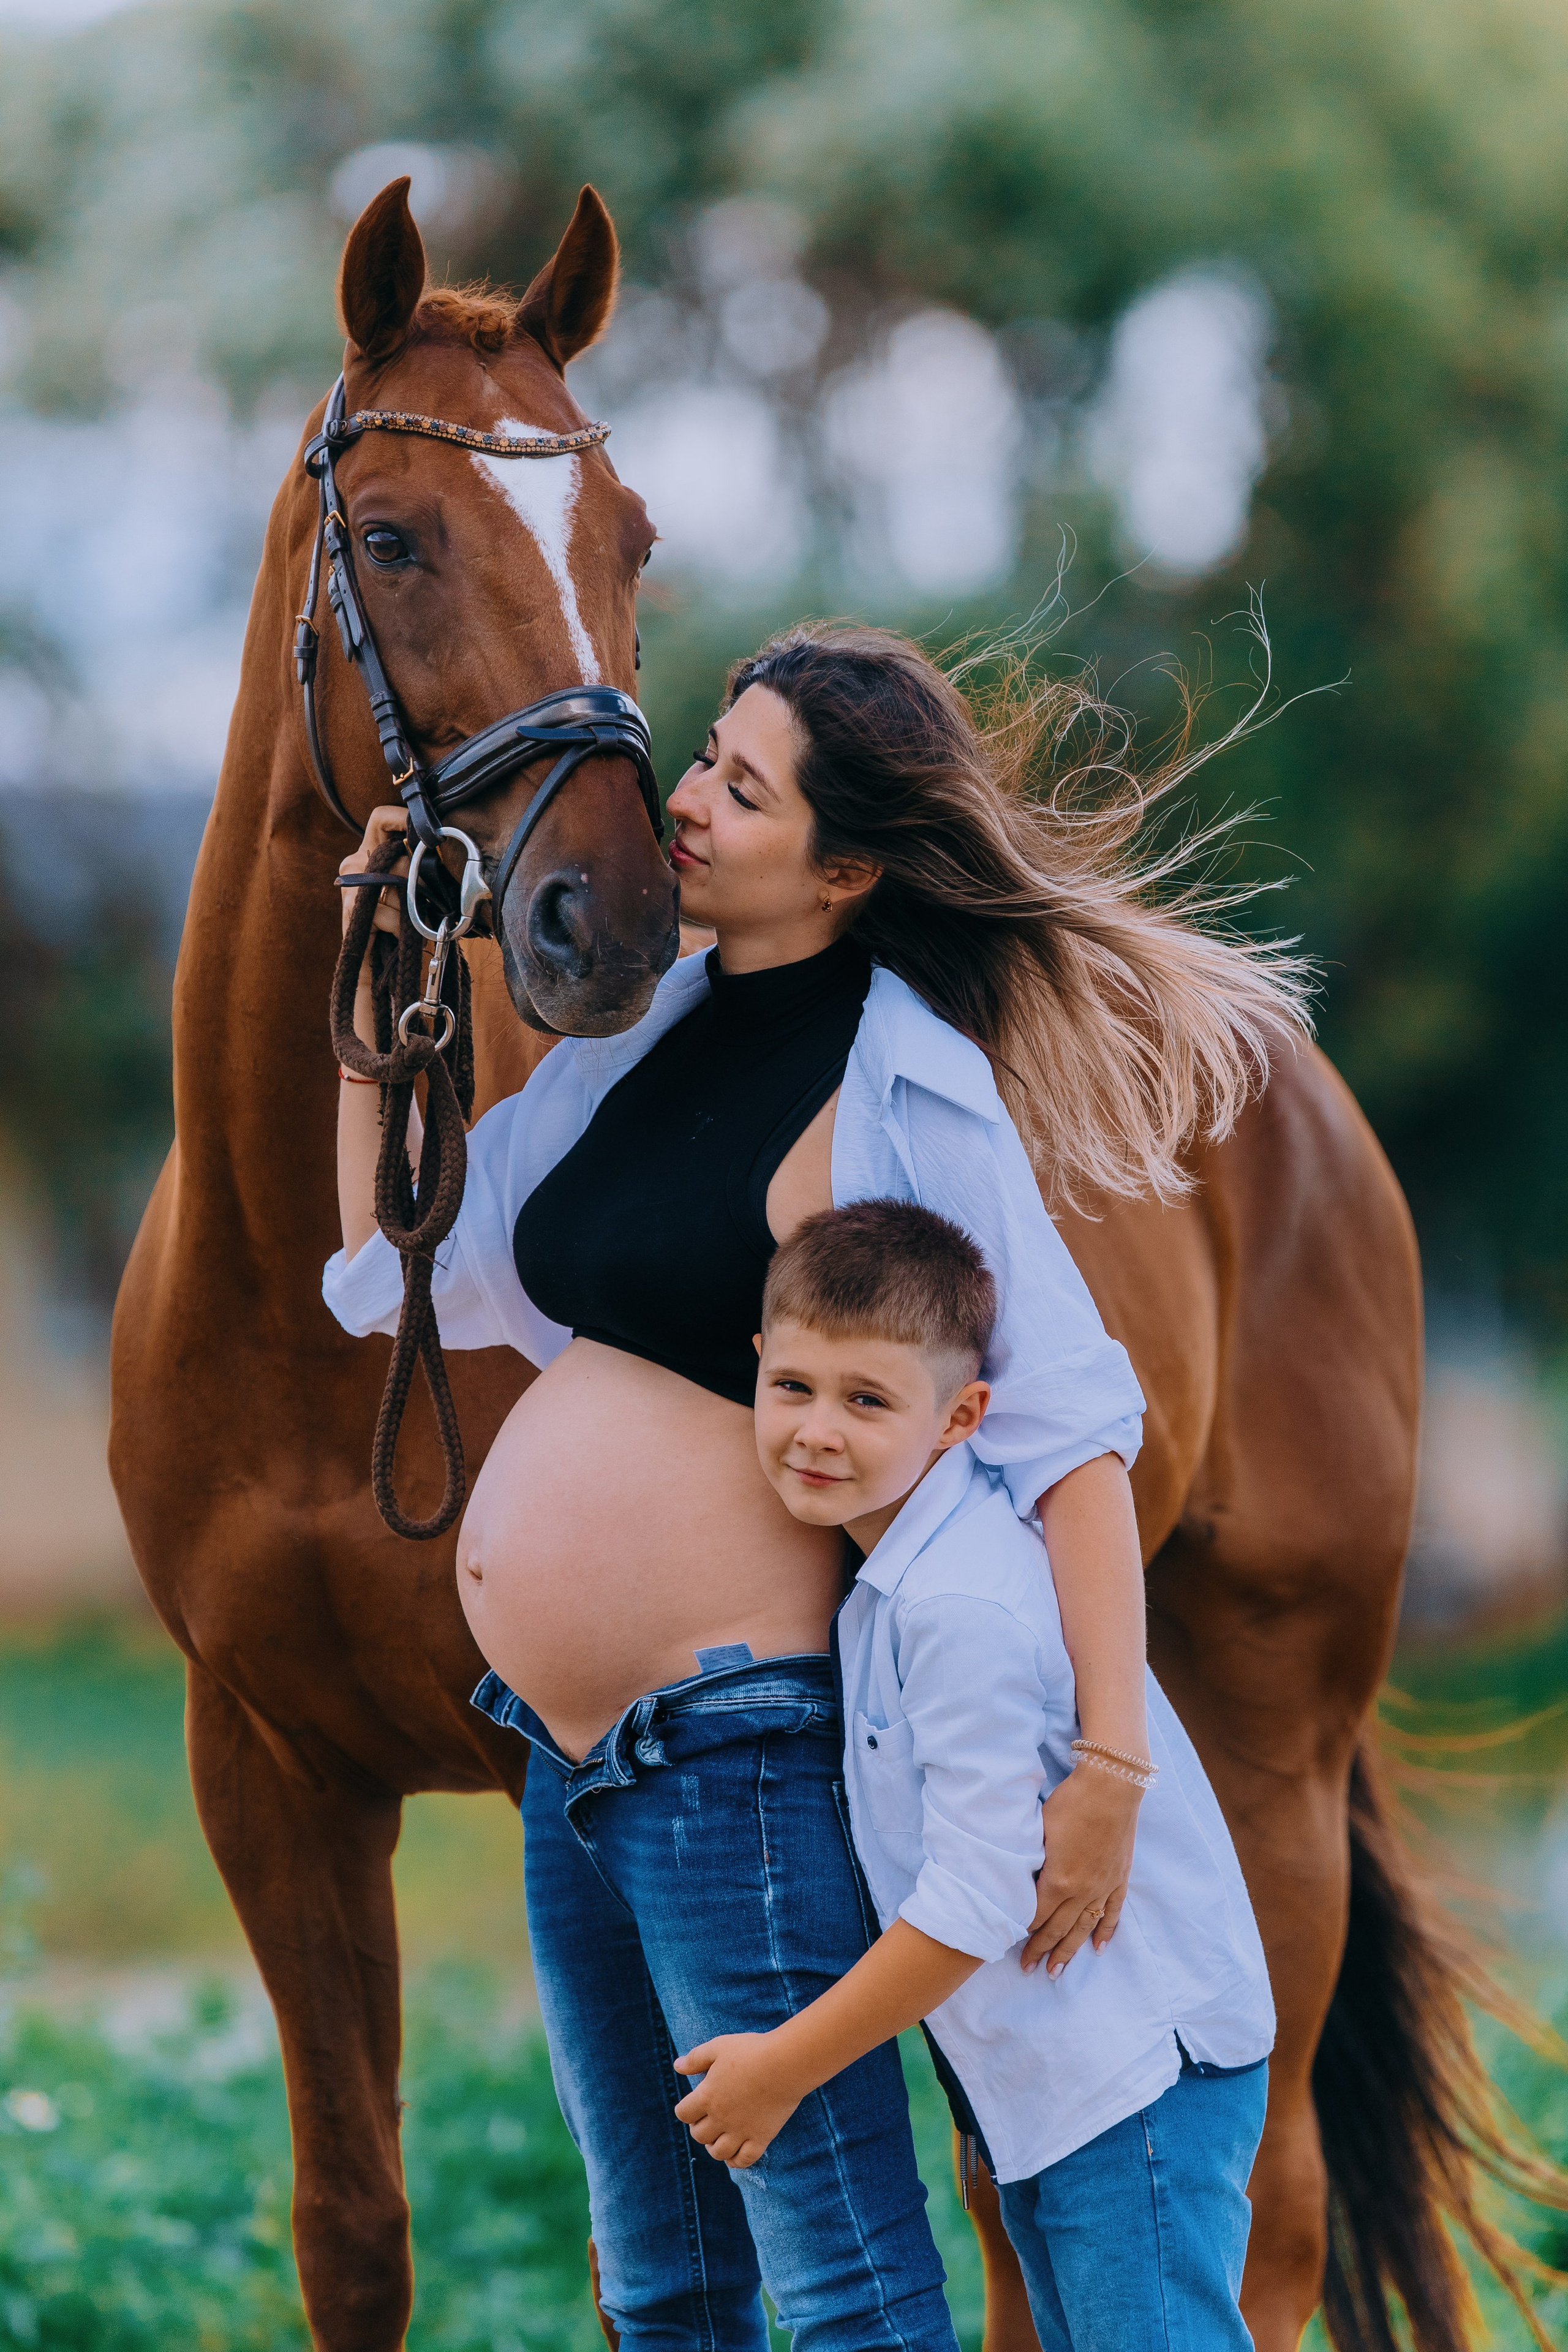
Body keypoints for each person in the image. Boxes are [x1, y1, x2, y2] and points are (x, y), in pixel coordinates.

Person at [325, 624, 1306, 2348]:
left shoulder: (905, 1083)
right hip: (574, 1763)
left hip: (737, 1742)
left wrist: (1111, 1766)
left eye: (742, 787)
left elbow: (1068, 1433)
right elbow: (419, 1264)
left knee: (841, 2277)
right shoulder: (645, 1036)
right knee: (659, 2274)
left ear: (844, 867)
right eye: (707, 755)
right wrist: (363, 1006)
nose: (685, 800)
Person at [674, 1197, 1275, 2352]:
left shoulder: (956, 1601)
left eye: (868, 1401)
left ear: (961, 1417)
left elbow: (979, 1894)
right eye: (794, 1387)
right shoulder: (898, 1577)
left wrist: (783, 2069)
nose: (817, 1432)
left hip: (1134, 2070)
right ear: (757, 1366)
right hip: (1065, 2079)